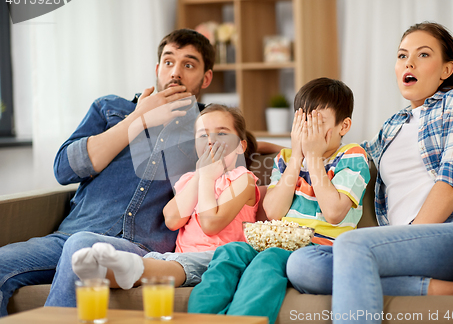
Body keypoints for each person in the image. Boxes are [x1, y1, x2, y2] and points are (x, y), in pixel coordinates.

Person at [0, 29, 278, 316]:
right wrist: (138, 119)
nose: (176, 73)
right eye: (169, 62)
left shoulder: (205, 127)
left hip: (142, 248)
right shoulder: (111, 109)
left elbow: (244, 145)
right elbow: (64, 169)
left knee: (82, 247)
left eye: (189, 65)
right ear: (157, 69)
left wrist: (296, 152)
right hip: (72, 233)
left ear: (206, 77)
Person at [287, 22, 453, 323]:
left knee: (351, 246)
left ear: (446, 69)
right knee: (303, 264)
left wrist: (403, 239)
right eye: (402, 56)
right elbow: (345, 151)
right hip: (403, 242)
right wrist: (277, 146)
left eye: (423, 55)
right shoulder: (393, 125)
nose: (408, 63)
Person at [187, 78, 370, 324]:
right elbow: (273, 212)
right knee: (229, 253)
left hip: (323, 249)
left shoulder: (352, 156)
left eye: (318, 124)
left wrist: (314, 159)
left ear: (343, 125)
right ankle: (200, 320)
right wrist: (296, 158)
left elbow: (335, 213)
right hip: (281, 242)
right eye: (304, 122)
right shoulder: (285, 159)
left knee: (269, 259)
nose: (309, 132)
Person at [70, 104, 260, 290]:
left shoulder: (243, 180)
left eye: (222, 133)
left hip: (221, 259)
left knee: (172, 265)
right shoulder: (191, 179)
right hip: (181, 257)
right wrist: (201, 175)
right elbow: (172, 219)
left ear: (240, 146)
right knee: (158, 259)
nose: (211, 140)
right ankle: (109, 269)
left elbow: (210, 225)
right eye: (203, 135)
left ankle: (124, 268)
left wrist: (208, 177)